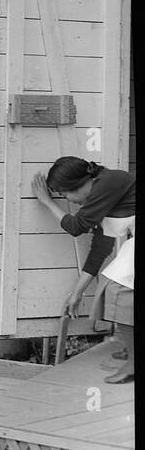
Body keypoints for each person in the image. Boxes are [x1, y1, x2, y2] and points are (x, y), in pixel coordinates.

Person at [32, 157, 135, 382]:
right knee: (114, 286)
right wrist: (76, 294)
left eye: (64, 194)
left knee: (119, 289)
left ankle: (133, 365)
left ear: (76, 184)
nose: (67, 200)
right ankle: (132, 349)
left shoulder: (107, 183)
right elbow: (98, 252)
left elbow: (76, 227)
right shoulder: (102, 202)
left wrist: (47, 202)